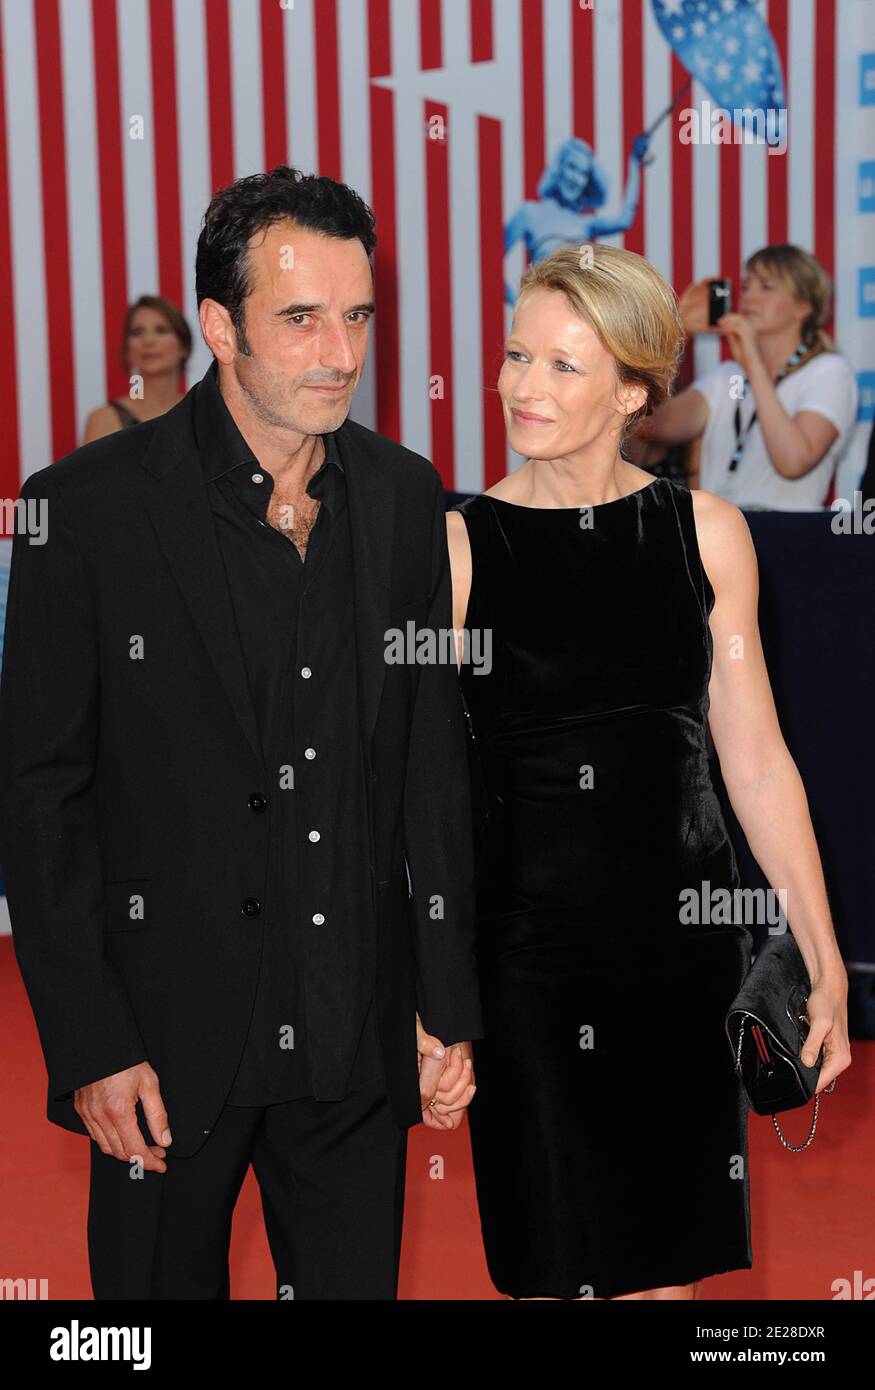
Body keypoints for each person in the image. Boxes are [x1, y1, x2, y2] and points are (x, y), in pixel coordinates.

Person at [0, 167, 479, 1301]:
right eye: (300, 318)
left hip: (350, 1037)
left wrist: (441, 1001)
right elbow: (38, 794)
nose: (340, 353)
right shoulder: (86, 509)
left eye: (356, 315)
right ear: (218, 325)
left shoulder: (409, 499)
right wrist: (90, 1046)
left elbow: (429, 765)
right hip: (162, 1050)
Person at [446, 242, 851, 1301]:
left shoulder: (703, 535)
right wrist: (428, 992)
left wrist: (821, 952)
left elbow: (754, 757)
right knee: (554, 1263)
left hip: (675, 951)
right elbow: (421, 793)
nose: (521, 387)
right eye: (513, 355)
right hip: (522, 959)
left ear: (632, 388)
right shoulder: (456, 549)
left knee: (660, 1270)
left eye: (561, 366)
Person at [630, 245, 859, 510]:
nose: (749, 297)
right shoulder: (727, 376)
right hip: (723, 531)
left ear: (804, 306)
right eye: (747, 286)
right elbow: (656, 426)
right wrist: (677, 334)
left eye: (766, 287)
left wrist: (754, 366)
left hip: (790, 532)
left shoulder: (829, 372)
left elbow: (793, 462)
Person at [81, 296, 191, 443]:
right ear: (127, 349)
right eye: (138, 332)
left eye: (161, 330)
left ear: (183, 346)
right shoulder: (104, 420)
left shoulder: (202, 413)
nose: (148, 341)